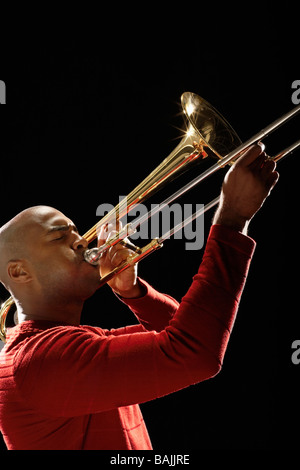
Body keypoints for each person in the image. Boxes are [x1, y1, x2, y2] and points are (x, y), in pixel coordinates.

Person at [0, 144, 278, 450]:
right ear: (19, 273)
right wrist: (231, 222)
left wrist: (133, 293)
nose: (81, 242)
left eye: (75, 232)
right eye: (58, 237)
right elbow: (196, 353)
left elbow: (184, 330)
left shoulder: (62, 341)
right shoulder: (40, 360)